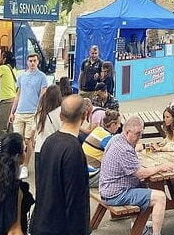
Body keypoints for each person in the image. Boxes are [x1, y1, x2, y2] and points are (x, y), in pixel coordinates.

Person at [98, 116, 171, 235]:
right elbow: (141, 173)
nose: (139, 137)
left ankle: (139, 226)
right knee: (160, 197)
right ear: (127, 132)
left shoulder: (116, 138)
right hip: (115, 194)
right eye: (137, 134)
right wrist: (160, 167)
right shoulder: (124, 149)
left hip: (107, 189)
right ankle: (156, 233)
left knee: (142, 186)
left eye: (141, 133)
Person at [30, 95, 90, 235]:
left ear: (61, 116)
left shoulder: (49, 141)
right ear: (85, 115)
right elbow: (75, 200)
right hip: (61, 227)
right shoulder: (73, 149)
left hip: (42, 222)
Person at [9, 53, 48, 180]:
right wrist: (12, 112)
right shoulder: (21, 76)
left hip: (32, 113)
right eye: (30, 61)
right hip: (20, 112)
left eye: (34, 61)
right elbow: (18, 95)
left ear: (38, 62)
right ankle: (18, 165)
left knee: (28, 140)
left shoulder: (42, 77)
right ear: (27, 62)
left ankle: (25, 166)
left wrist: (39, 112)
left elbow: (43, 96)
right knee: (18, 141)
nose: (32, 63)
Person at [82, 110, 121, 188]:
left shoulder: (97, 130)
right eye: (119, 123)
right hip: (90, 177)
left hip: (82, 172)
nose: (119, 126)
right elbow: (120, 154)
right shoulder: (107, 138)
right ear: (113, 125)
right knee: (122, 176)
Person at [33, 85, 62, 175]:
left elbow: (34, 130)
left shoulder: (40, 113)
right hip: (54, 150)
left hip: (39, 149)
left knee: (40, 180)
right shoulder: (61, 112)